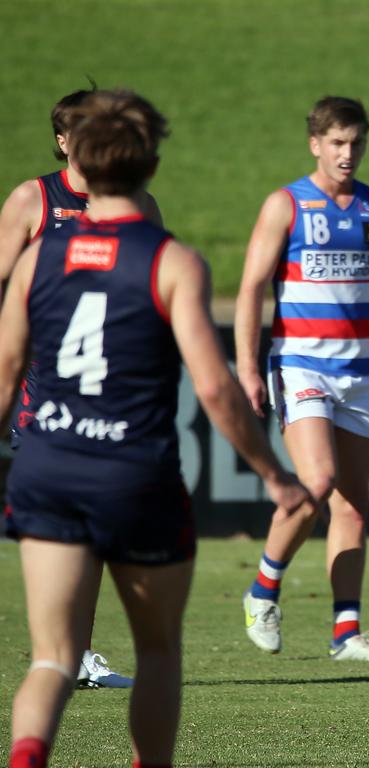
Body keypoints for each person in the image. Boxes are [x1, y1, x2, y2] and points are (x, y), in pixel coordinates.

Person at [0, 89, 310, 768]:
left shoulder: (33, 261)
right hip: (135, 476)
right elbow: (214, 387)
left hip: (47, 468)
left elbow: (4, 373)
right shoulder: (171, 261)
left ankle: (25, 757)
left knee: (53, 659)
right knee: (158, 650)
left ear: (75, 162)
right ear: (151, 166)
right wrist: (275, 475)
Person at [235, 96, 369, 662]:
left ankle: (345, 633)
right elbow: (252, 288)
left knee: (353, 507)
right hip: (300, 366)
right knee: (318, 482)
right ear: (315, 144)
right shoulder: (286, 204)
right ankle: (262, 590)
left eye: (356, 142)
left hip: (357, 373)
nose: (347, 153)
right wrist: (247, 365)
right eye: (336, 143)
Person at [0, 86, 161, 690]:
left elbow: (154, 289)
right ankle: (62, 652)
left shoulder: (138, 203)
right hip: (40, 381)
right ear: (64, 139)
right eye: (82, 128)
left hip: (108, 389)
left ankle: (74, 654)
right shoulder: (33, 199)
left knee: (90, 526)